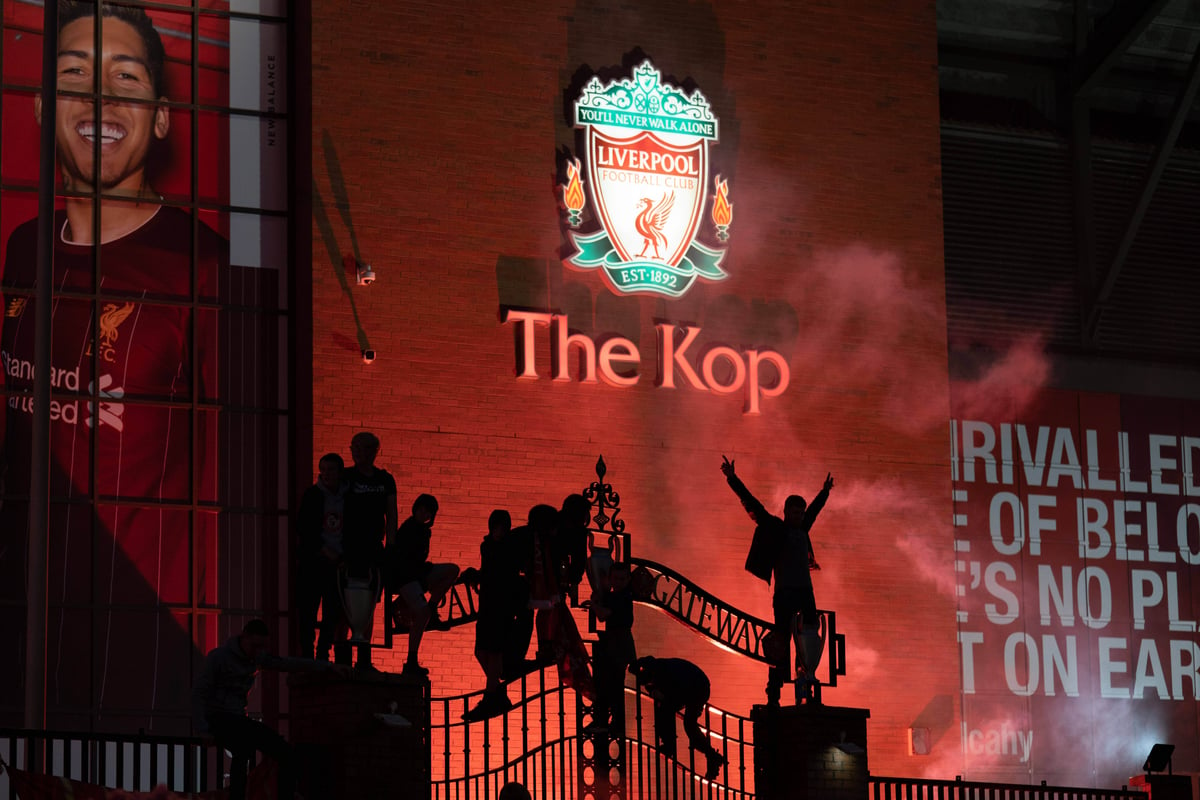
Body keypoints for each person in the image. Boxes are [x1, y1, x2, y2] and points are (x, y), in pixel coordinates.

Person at [1, 2, 225, 715]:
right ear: (44, 108)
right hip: (23, 647)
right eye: (76, 77)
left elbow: (238, 481)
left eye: (124, 79)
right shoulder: (22, 248)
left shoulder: (206, 271)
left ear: (160, 117)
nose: (99, 98)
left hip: (138, 668)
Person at [720, 456, 834, 706]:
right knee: (781, 641)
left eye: (801, 512)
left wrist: (824, 492)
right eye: (795, 512)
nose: (800, 515)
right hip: (784, 594)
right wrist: (732, 478)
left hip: (805, 592)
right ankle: (774, 691)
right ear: (786, 512)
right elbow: (753, 506)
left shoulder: (803, 529)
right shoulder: (777, 528)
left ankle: (805, 684)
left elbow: (815, 510)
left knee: (808, 640)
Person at [192, 619, 348, 800]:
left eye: (261, 647)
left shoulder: (257, 658)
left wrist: (328, 666)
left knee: (284, 751)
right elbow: (199, 693)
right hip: (218, 717)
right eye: (255, 645)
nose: (257, 651)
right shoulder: (219, 658)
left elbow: (288, 663)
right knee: (242, 748)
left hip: (238, 720)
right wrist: (202, 729)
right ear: (244, 637)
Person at [339, 432, 397, 670]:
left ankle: (364, 657)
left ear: (375, 451)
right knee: (345, 600)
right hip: (349, 548)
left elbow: (391, 514)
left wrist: (391, 548)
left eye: (366, 448)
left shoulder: (384, 480)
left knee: (369, 601)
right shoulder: (346, 477)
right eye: (357, 448)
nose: (360, 452)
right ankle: (342, 655)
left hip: (373, 549)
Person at [387, 492, 460, 677]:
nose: (424, 514)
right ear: (416, 509)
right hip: (405, 578)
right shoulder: (409, 529)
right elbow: (404, 561)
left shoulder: (423, 531)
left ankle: (433, 608)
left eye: (428, 512)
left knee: (452, 570)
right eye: (422, 510)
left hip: (418, 575)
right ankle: (411, 660)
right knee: (422, 613)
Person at [461, 509, 522, 720]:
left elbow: (503, 576)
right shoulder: (486, 546)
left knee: (494, 651)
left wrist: (479, 576)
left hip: (501, 605)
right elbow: (487, 572)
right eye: (496, 527)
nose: (499, 531)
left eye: (502, 528)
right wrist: (477, 575)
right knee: (481, 650)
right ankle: (497, 692)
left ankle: (491, 695)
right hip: (487, 604)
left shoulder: (509, 550)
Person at [629, 656, 727, 780]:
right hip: (692, 686)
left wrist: (660, 696)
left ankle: (707, 755)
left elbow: (672, 694)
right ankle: (710, 755)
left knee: (687, 722)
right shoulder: (658, 669)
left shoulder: (664, 673)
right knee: (673, 715)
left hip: (696, 688)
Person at [296, 452, 348, 660]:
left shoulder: (347, 497)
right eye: (323, 469)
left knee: (332, 611)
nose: (326, 474)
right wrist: (323, 549)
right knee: (308, 611)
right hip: (314, 562)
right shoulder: (312, 495)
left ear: (339, 472)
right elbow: (304, 528)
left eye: (331, 469)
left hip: (338, 564)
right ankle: (308, 654)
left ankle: (323, 652)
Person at [589, 560, 635, 734]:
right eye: (616, 578)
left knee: (610, 684)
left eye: (622, 579)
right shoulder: (619, 596)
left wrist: (593, 604)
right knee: (609, 684)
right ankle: (608, 721)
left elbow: (603, 615)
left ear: (628, 579)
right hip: (617, 644)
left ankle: (607, 721)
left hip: (618, 644)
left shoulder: (622, 597)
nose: (618, 582)